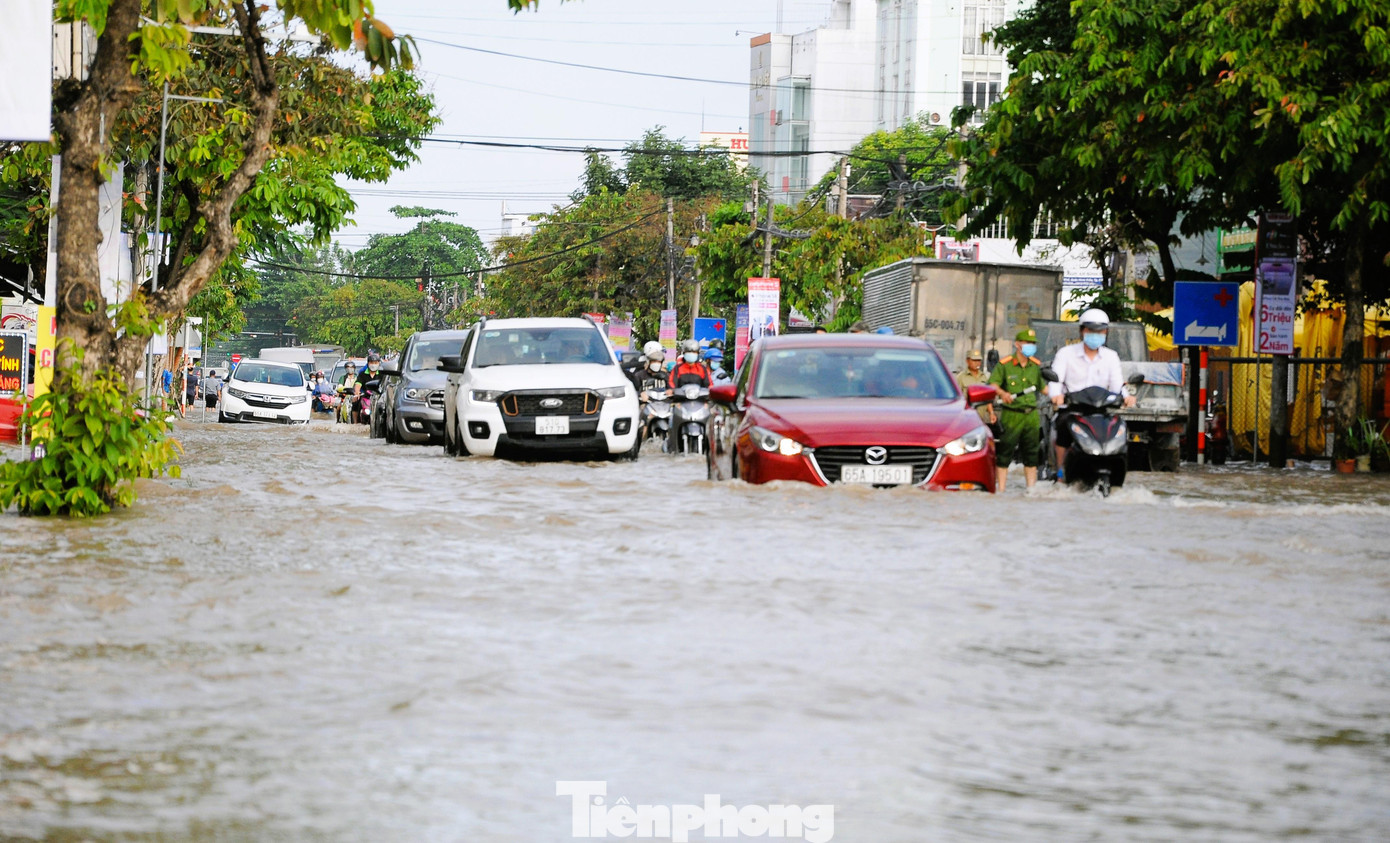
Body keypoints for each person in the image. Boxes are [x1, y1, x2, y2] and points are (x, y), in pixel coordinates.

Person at [1048, 308, 1135, 478]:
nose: (1096, 335)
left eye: (1100, 331)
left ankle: (1118, 470)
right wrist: (1055, 396)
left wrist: (1126, 397)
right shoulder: (1066, 354)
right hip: (1073, 409)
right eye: (1091, 331)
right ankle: (1060, 471)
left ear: (1106, 332)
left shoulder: (1111, 356)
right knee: (1063, 426)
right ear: (1082, 331)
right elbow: (1055, 381)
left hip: (1101, 412)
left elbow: (1117, 384)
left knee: (1121, 428)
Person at [987, 328, 1047, 491]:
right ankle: (1001, 491)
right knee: (1005, 453)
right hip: (1012, 414)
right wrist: (1002, 393)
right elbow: (993, 384)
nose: (1031, 346)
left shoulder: (1035, 366)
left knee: (1032, 454)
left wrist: (1059, 391)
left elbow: (1044, 389)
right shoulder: (1005, 365)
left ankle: (1031, 490)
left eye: (1033, 343)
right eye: (1028, 343)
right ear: (1017, 344)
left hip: (1031, 415)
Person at [956, 349, 998, 430]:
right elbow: (957, 398)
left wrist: (991, 413)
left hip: (980, 418)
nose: (977, 363)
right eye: (974, 360)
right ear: (967, 361)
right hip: (965, 418)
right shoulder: (961, 377)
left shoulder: (985, 377)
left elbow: (987, 398)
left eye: (979, 360)